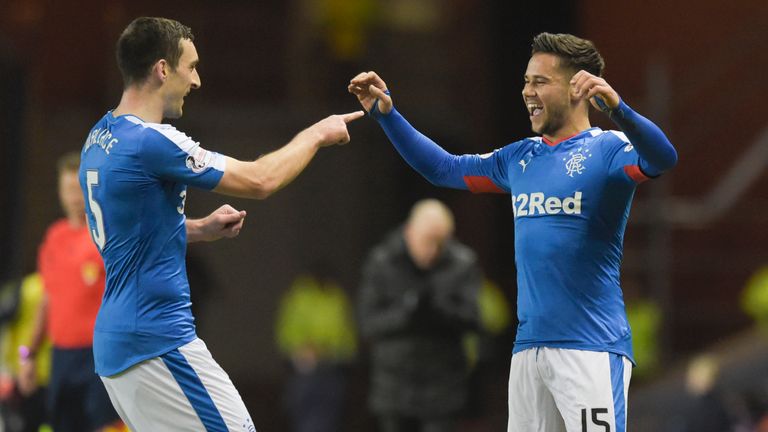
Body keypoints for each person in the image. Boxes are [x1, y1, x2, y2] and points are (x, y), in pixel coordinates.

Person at [348, 32, 678, 432]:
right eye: (525, 81)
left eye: (540, 81)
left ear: (579, 86)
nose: (527, 92)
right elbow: (443, 169)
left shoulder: (608, 150)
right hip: (529, 351)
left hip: (590, 347)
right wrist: (387, 115)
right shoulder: (520, 157)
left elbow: (663, 157)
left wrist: (619, 109)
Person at [79, 17, 363, 431]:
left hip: (117, 343)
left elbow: (117, 234)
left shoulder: (99, 136)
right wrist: (316, 134)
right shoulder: (152, 141)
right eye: (190, 67)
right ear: (162, 69)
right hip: (157, 339)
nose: (196, 80)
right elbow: (260, 180)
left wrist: (196, 229)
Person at [18, 153, 122, 432]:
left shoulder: (107, 237)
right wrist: (27, 354)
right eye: (67, 190)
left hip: (100, 355)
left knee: (105, 425)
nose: (74, 198)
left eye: (78, 189)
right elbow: (47, 299)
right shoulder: (54, 236)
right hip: (61, 356)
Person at [358, 199, 481, 432]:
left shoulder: (462, 263)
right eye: (428, 241)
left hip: (443, 386)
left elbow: (474, 320)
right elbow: (368, 323)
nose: (433, 251)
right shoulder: (382, 261)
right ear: (409, 232)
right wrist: (406, 311)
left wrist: (439, 310)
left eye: (441, 243)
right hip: (393, 387)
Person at [275, 269, 357, 432]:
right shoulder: (299, 297)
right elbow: (286, 333)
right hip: (304, 370)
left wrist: (331, 351)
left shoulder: (337, 298)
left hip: (332, 368)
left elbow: (348, 338)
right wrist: (301, 349)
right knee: (305, 418)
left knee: (330, 419)